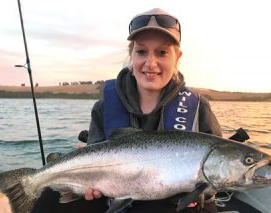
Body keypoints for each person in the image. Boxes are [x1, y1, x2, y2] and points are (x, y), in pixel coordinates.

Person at [83, 7, 222, 213]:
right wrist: (88, 185)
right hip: (122, 203)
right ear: (132, 55)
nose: (151, 63)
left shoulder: (199, 107)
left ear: (177, 57)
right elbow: (93, 155)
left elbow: (216, 171)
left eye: (162, 52)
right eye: (141, 51)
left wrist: (208, 189)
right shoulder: (104, 107)